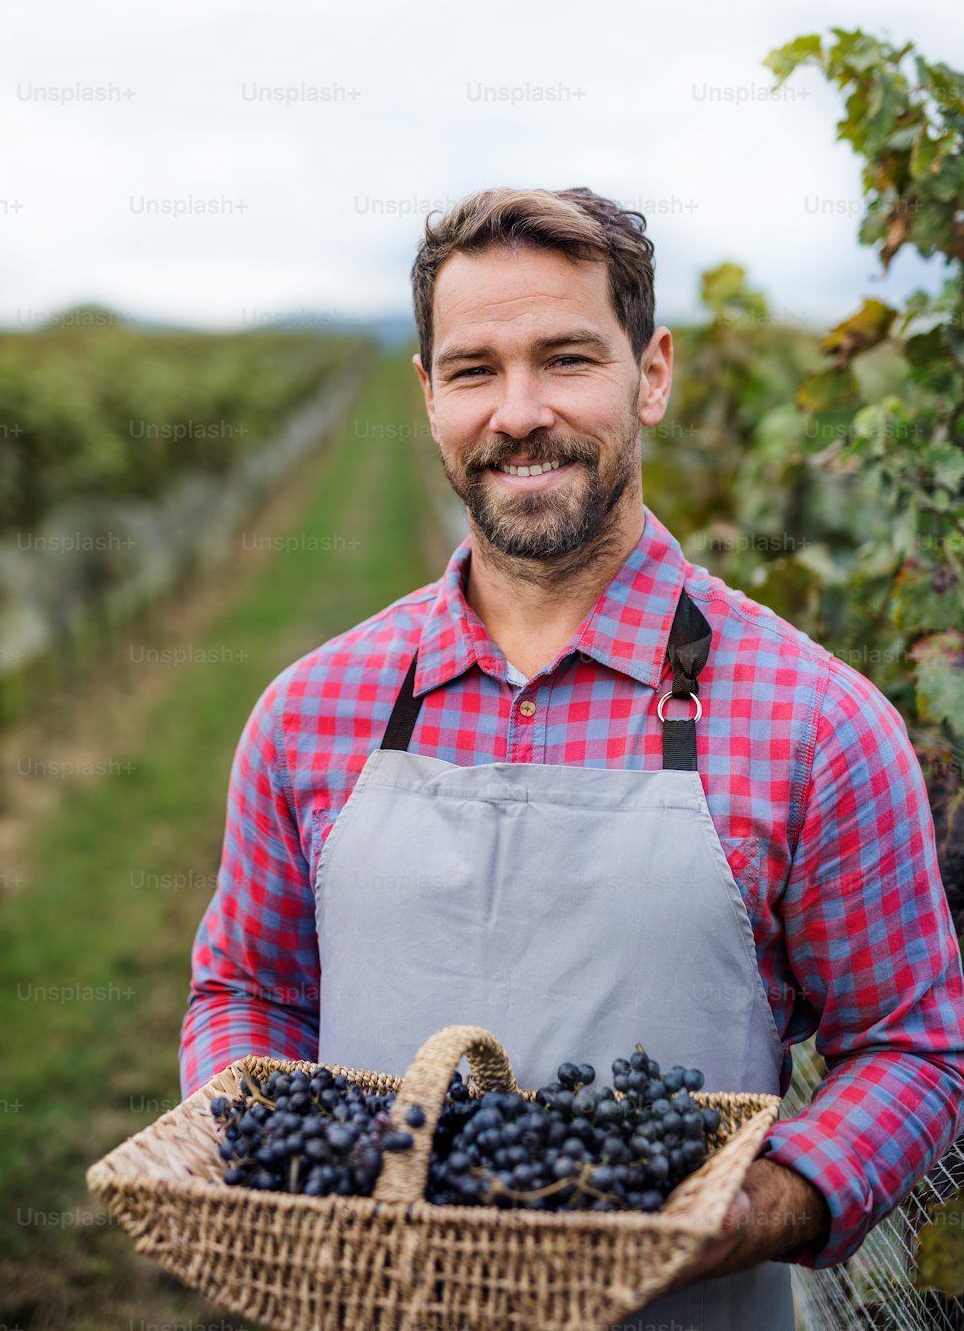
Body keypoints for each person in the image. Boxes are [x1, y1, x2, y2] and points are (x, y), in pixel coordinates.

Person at [180, 186, 964, 1330]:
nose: (519, 412)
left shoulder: (816, 725)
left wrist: (765, 1204)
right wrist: (265, 1152)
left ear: (651, 375)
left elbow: (913, 1048)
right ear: (427, 395)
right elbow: (246, 991)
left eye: (565, 359)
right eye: (473, 370)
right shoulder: (311, 711)